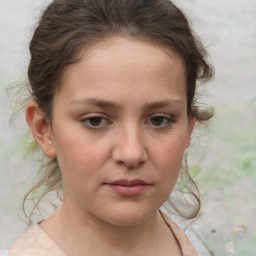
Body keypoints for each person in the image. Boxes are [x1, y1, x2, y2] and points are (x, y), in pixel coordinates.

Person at [6, 0, 214, 255]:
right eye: (95, 120)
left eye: (159, 120)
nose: (131, 153)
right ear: (43, 129)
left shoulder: (214, 243)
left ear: (189, 128)